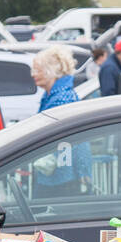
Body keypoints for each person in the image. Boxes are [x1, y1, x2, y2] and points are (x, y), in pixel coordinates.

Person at [31, 45, 90, 196]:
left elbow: (75, 139)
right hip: (58, 175)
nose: (33, 74)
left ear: (52, 71)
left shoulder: (61, 100)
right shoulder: (54, 96)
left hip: (60, 179)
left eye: (37, 69)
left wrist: (82, 171)